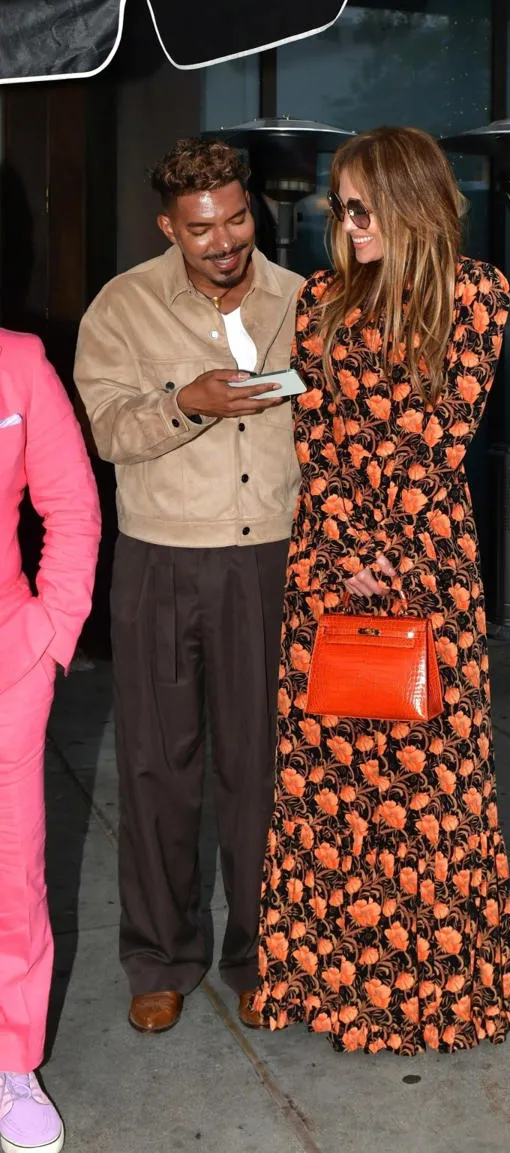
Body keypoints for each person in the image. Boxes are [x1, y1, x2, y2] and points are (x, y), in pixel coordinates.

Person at [251, 125, 510, 1054]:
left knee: (430, 791)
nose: (346, 221)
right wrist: (345, 552)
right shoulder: (321, 301)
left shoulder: (478, 294)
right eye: (340, 204)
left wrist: (387, 550)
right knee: (328, 787)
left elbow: (437, 435)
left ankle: (432, 999)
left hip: (428, 570)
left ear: (409, 199)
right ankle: (336, 995)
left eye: (361, 204)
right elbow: (313, 439)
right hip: (327, 568)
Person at [74, 138, 302, 1034]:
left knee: (263, 769)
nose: (224, 241)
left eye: (237, 218)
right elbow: (106, 428)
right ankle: (160, 958)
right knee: (157, 769)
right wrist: (187, 403)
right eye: (202, 227)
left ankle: (260, 955)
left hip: (271, 560)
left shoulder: (300, 299)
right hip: (162, 560)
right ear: (169, 226)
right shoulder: (122, 306)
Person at [0, 330, 100, 1152]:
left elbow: (71, 505)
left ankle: (11, 1062)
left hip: (7, 665)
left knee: (13, 878)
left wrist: (51, 636)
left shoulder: (18, 362)